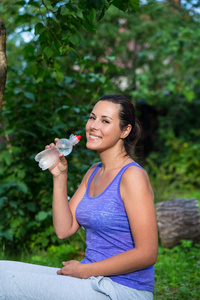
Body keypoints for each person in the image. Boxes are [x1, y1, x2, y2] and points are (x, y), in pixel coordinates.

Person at [0, 94, 158, 300]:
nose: (93, 125)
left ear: (125, 130)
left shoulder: (133, 176)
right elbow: (64, 229)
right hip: (91, 280)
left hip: (121, 290)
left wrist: (87, 270)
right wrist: (59, 176)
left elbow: (147, 253)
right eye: (92, 117)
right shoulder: (93, 172)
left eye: (105, 121)